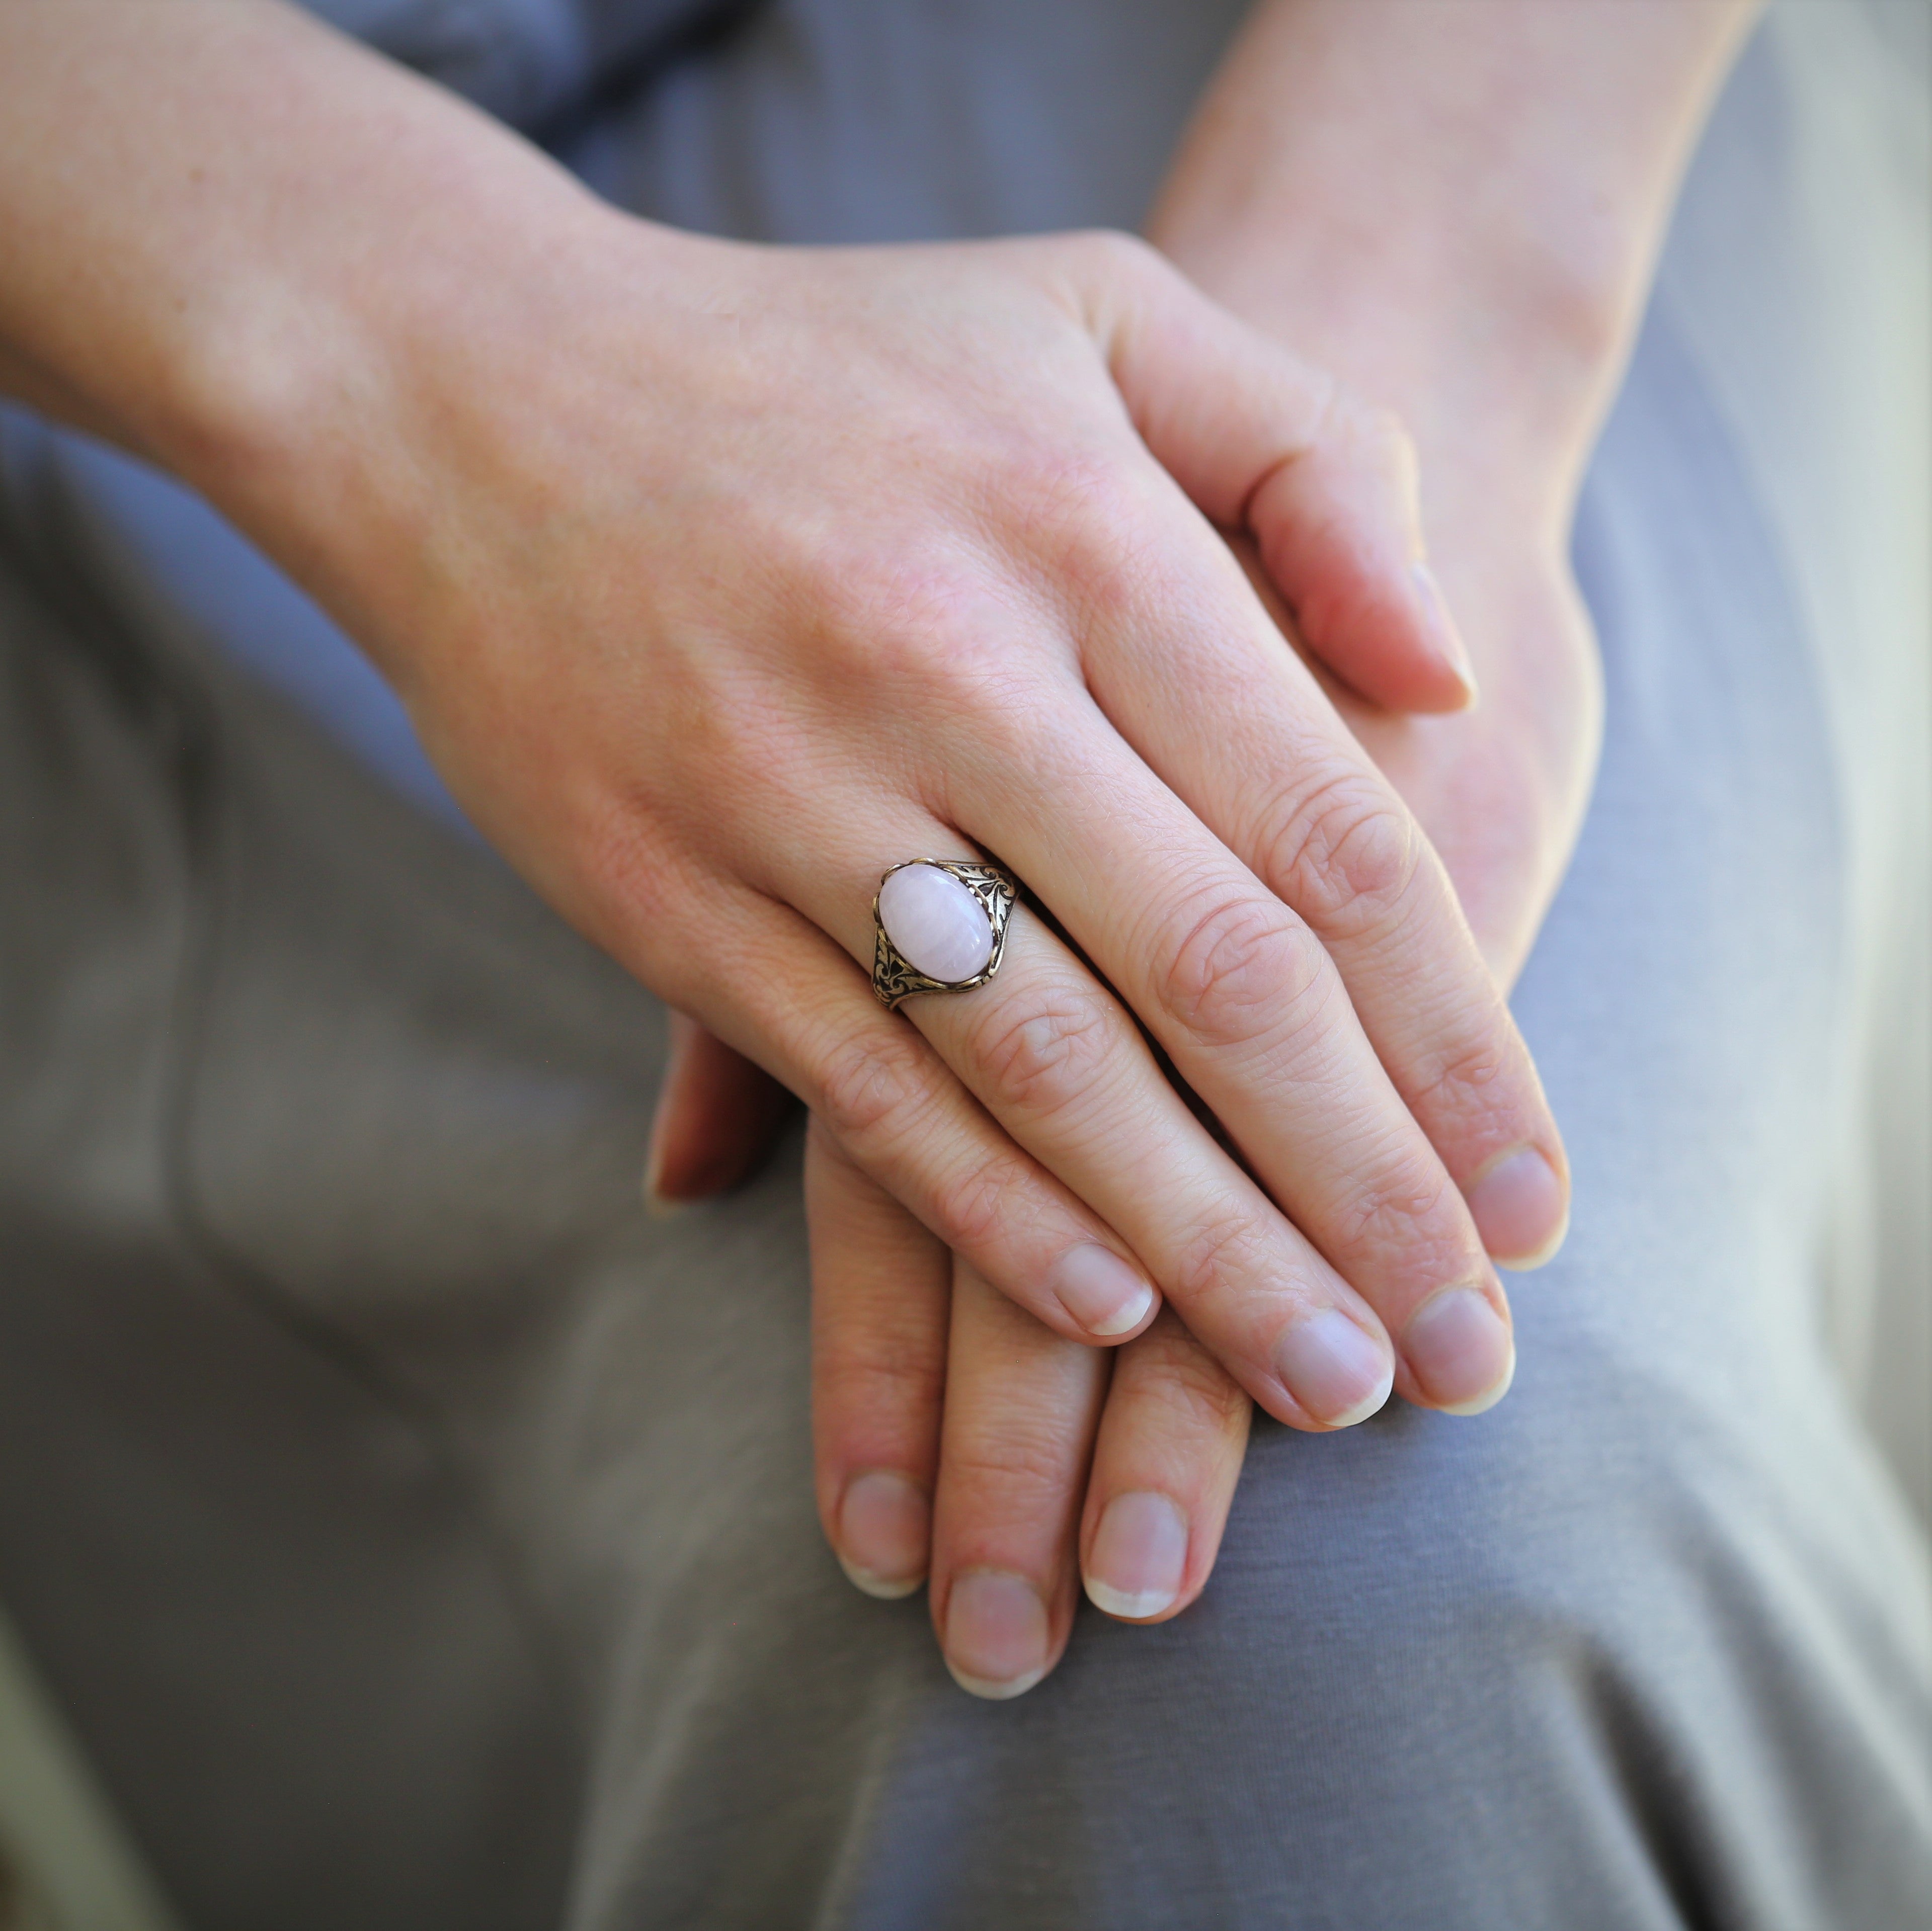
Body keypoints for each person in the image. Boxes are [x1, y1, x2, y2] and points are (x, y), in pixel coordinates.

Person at [0, 2, 1924, 1927]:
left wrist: (1413, 278)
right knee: (1071, 1605)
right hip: (140, 221)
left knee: (1404, 1504)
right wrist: (438, 362)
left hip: (1396, 71)